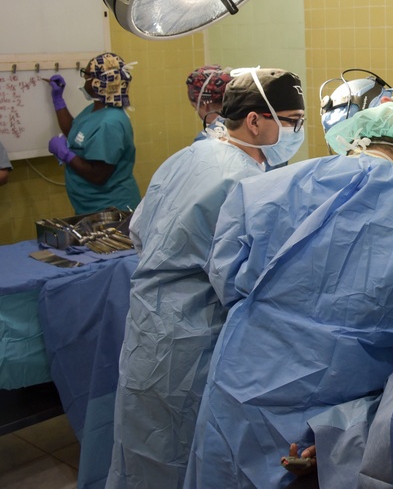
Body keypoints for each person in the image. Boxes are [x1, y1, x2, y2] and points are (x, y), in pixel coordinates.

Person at [185, 102, 393, 489]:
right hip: (341, 411)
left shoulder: (267, 185)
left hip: (246, 382)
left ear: (351, 143)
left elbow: (227, 278)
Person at [106, 67, 305, 489]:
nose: (296, 130)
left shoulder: (187, 156)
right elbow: (248, 280)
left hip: (147, 326)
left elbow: (139, 229)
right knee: (188, 451)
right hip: (194, 338)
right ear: (255, 120)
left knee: (144, 451)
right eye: (291, 121)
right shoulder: (248, 182)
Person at [46, 53, 141, 214]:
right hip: (91, 208)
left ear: (99, 81)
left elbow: (98, 175)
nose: (85, 79)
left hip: (112, 210)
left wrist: (66, 155)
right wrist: (58, 100)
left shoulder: (110, 123)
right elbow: (74, 134)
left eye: (87, 75)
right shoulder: (95, 110)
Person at [186, 64, 233, 141]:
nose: (196, 111)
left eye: (195, 107)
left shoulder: (205, 140)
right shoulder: (247, 124)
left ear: (205, 105)